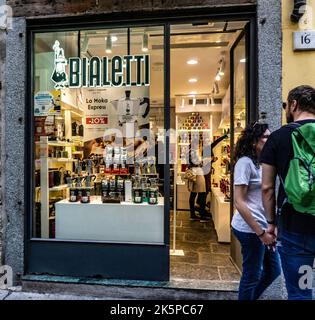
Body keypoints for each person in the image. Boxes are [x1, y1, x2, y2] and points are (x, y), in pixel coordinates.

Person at [261, 85, 315, 300]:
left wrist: (271, 223)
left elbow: (267, 188)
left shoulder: (278, 138)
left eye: (285, 105)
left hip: (295, 228)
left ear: (294, 105)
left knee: (301, 290)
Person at [231, 122, 281, 300]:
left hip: (263, 226)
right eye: (265, 137)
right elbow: (239, 201)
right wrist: (260, 233)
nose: (269, 139)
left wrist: (271, 225)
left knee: (274, 270)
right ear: (254, 141)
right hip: (250, 229)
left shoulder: (263, 162)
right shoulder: (245, 163)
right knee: (252, 275)